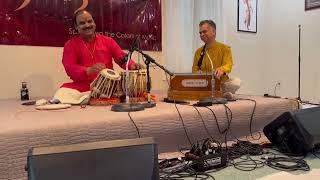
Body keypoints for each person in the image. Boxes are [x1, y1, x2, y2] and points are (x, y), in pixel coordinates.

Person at [53, 10, 143, 104]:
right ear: (76, 27)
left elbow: (121, 57)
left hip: (108, 85)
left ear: (94, 23)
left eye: (89, 21)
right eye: (82, 23)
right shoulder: (70, 45)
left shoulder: (108, 41)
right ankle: (87, 98)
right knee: (62, 92)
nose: (87, 25)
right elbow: (70, 68)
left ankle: (87, 99)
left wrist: (132, 65)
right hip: (83, 86)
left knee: (128, 88)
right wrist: (88, 70)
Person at [192, 20, 241, 96]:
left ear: (214, 32)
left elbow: (228, 65)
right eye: (200, 33)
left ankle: (220, 92)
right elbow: (194, 69)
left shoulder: (225, 48)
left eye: (204, 32)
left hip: (221, 83)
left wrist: (221, 69)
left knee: (237, 82)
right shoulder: (198, 52)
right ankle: (222, 94)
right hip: (204, 84)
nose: (202, 34)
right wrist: (197, 73)